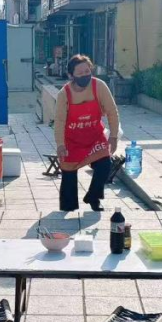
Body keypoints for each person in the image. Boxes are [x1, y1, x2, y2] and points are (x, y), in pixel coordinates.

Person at [54, 54, 120, 212]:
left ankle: (93, 197)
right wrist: (60, 144)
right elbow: (59, 121)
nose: (85, 75)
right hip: (72, 140)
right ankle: (68, 206)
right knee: (69, 173)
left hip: (95, 137)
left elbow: (112, 112)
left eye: (87, 71)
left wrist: (113, 136)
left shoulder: (99, 86)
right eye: (80, 73)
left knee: (105, 164)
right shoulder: (64, 94)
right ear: (71, 75)